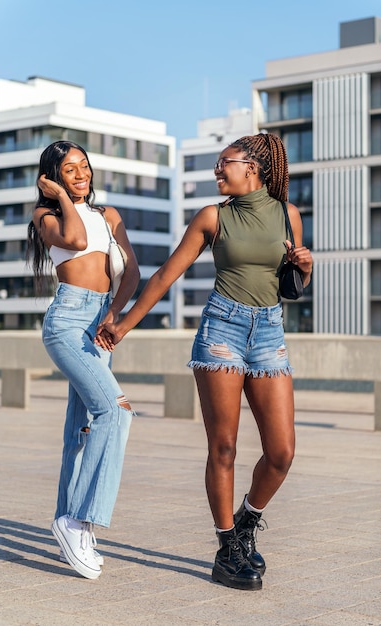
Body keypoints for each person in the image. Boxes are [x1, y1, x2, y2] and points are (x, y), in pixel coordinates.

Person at [95, 133, 313, 590]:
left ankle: (247, 521)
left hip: (269, 333)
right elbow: (165, 274)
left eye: (223, 164)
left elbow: (290, 285)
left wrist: (305, 267)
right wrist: (124, 323)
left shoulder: (289, 216)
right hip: (222, 333)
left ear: (252, 167)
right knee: (225, 448)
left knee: (281, 452)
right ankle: (227, 547)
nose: (217, 171)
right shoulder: (213, 217)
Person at [26, 140, 140, 580]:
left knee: (82, 429)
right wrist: (57, 197)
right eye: (69, 169)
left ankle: (68, 524)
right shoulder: (47, 216)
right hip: (67, 321)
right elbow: (73, 240)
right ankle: (78, 522)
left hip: (100, 320)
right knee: (116, 412)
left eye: (84, 167)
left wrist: (115, 313)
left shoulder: (108, 216)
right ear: (52, 176)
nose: (80, 174)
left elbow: (130, 269)